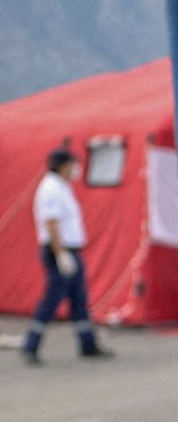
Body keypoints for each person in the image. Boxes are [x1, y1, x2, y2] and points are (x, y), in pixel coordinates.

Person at [22, 148, 112, 365]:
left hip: (70, 250)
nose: (76, 169)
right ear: (62, 166)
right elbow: (51, 224)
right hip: (58, 251)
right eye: (72, 165)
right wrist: (60, 254)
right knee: (53, 297)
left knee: (79, 298)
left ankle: (87, 343)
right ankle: (31, 344)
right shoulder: (51, 189)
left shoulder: (62, 187)